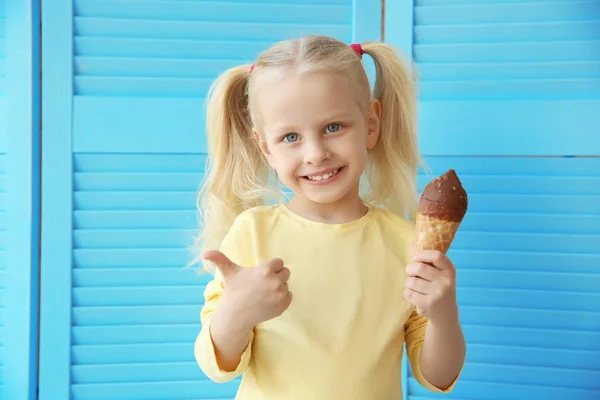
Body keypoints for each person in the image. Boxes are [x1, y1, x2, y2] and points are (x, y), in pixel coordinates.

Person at [192, 35, 466, 399]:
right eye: (290, 136)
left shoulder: (407, 243)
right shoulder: (252, 233)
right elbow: (216, 367)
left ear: (371, 124)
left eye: (333, 127)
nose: (316, 153)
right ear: (266, 148)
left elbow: (437, 375)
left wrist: (443, 313)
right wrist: (236, 314)